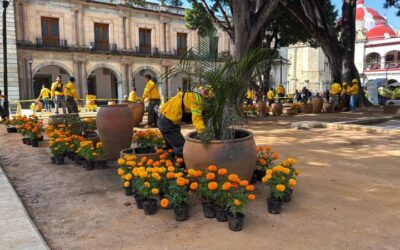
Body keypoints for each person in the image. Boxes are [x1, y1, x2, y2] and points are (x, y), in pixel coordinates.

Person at [158, 90, 205, 158]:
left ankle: (171, 164)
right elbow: (197, 118)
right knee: (181, 147)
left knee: (171, 147)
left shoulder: (192, 95)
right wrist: (202, 132)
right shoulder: (197, 101)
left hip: (164, 118)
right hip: (167, 123)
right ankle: (182, 166)